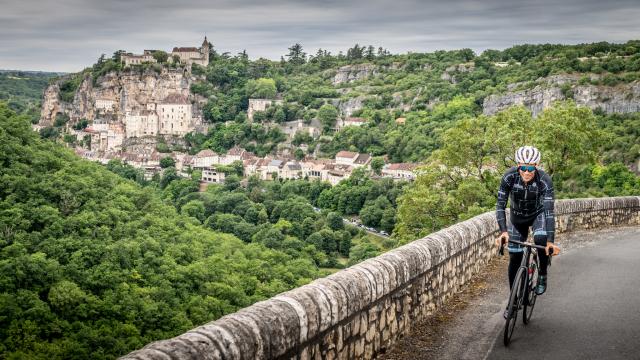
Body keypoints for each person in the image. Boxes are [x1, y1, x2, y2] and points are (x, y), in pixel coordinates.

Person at [496, 146, 556, 308]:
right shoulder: (509, 177)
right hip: (517, 218)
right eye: (523, 168)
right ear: (518, 166)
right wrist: (503, 231)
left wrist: (550, 241)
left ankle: (543, 273)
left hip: (538, 216)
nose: (527, 172)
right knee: (514, 258)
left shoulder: (544, 180)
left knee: (541, 238)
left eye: (531, 168)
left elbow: (549, 212)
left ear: (536, 166)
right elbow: (500, 206)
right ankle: (513, 301)